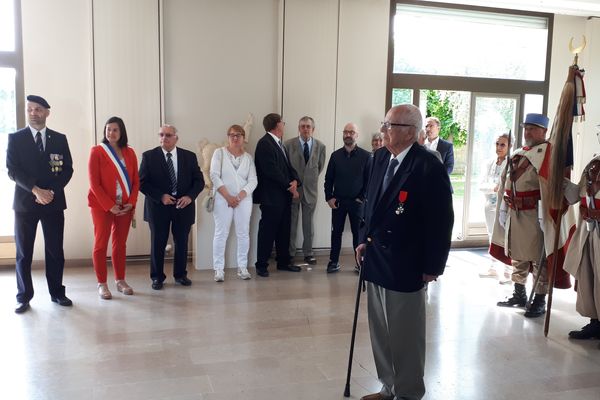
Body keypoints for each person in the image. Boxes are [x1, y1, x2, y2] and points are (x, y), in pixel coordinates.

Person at [356, 104, 453, 400]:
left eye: (389, 125)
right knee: (381, 330)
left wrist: (433, 266)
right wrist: (362, 240)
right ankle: (388, 386)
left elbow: (441, 220)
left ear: (410, 133)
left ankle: (408, 392)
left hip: (407, 261)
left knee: (405, 334)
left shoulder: (428, 165)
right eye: (384, 124)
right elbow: (370, 205)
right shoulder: (379, 158)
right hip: (376, 258)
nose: (383, 130)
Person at [490, 113, 574, 318]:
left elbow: (553, 184)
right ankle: (519, 294)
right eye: (526, 128)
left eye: (533, 128)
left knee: (538, 258)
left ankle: (539, 299)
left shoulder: (549, 154)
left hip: (535, 215)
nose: (527, 132)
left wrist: (548, 212)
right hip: (514, 212)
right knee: (517, 255)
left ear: (544, 131)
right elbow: (506, 181)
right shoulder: (519, 152)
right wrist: (503, 208)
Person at [7, 95, 74, 313]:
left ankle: (57, 293)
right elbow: (13, 170)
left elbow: (67, 169)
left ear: (47, 112)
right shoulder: (16, 138)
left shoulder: (59, 139)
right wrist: (36, 190)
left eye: (38, 109)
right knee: (24, 252)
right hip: (25, 204)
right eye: (30, 109)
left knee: (55, 250)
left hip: (53, 203)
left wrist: (51, 192)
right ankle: (23, 297)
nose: (33, 113)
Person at [139, 124, 204, 290]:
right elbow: (141, 183)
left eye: (168, 135)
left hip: (183, 206)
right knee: (158, 243)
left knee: (181, 242)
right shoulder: (149, 156)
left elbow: (199, 181)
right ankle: (157, 278)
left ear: (176, 138)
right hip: (158, 207)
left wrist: (190, 197)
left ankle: (181, 275)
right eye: (161, 135)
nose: (164, 138)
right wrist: (161, 196)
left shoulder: (189, 156)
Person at [88, 116, 140, 299]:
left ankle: (120, 280)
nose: (111, 133)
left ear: (121, 132)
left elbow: (135, 182)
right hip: (102, 206)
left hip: (124, 207)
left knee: (120, 245)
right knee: (101, 244)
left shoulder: (130, 152)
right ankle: (102, 283)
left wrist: (131, 202)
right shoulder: (97, 151)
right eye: (108, 129)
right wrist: (110, 206)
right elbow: (94, 184)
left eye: (115, 130)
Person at [253, 113, 301, 277]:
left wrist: (296, 181)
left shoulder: (280, 144)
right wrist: (290, 186)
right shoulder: (264, 144)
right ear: (276, 125)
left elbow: (287, 167)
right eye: (283, 122)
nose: (284, 125)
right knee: (267, 231)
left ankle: (283, 262)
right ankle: (261, 265)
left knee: (283, 231)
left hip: (284, 197)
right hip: (271, 198)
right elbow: (271, 171)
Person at [210, 124, 257, 282]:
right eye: (232, 135)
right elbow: (214, 175)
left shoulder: (248, 158)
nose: (235, 138)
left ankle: (242, 267)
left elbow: (253, 180)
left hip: (243, 200)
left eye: (238, 135)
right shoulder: (219, 153)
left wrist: (241, 196)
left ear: (244, 138)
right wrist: (228, 196)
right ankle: (218, 270)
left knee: (243, 234)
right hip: (223, 199)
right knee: (221, 234)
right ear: (228, 137)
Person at [323, 122, 370, 273]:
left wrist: (362, 198)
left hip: (357, 202)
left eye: (351, 132)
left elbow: (370, 181)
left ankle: (360, 263)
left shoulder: (366, 156)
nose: (348, 134)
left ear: (357, 135)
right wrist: (329, 197)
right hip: (338, 201)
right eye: (345, 132)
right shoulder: (335, 156)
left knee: (358, 234)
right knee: (336, 232)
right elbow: (328, 179)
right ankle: (333, 261)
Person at [563, 152, 600, 340]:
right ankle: (596, 322)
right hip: (588, 230)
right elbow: (577, 194)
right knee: (589, 277)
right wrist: (560, 181)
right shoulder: (593, 163)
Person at [283, 116, 326, 265]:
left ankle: (308, 252)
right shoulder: (288, 145)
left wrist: (309, 180)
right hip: (293, 190)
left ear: (313, 129)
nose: (305, 129)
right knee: (292, 223)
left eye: (308, 126)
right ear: (298, 128)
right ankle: (290, 252)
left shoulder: (320, 147)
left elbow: (319, 168)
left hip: (311, 191)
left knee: (309, 224)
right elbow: (286, 168)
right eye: (303, 126)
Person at [479, 133, 511, 283]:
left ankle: (507, 270)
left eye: (502, 145)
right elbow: (481, 185)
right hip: (489, 205)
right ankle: (492, 266)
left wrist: (500, 188)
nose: (499, 148)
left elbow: (508, 187)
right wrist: (494, 187)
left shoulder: (512, 164)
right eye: (497, 144)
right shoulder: (488, 163)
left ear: (510, 146)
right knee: (491, 235)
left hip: (505, 206)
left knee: (505, 236)